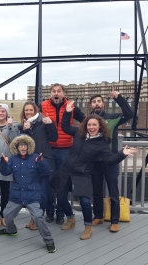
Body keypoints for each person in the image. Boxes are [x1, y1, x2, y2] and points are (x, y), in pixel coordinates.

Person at [50, 101, 137, 240]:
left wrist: (122, 153)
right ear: (86, 125)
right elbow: (65, 127)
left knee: (84, 201)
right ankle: (71, 218)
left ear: (100, 126)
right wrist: (67, 112)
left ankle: (88, 226)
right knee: (60, 197)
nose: (91, 127)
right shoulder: (79, 133)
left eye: (94, 125)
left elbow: (109, 160)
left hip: (83, 172)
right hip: (66, 169)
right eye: (89, 124)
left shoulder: (102, 143)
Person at [0, 134, 56, 254]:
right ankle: (11, 230)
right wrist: (3, 163)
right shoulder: (13, 159)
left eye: (25, 145)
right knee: (6, 215)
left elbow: (45, 172)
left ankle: (49, 240)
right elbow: (5, 172)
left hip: (32, 195)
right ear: (17, 147)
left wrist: (41, 162)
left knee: (38, 217)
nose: (23, 147)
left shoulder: (36, 157)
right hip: (16, 195)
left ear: (29, 146)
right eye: (21, 145)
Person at [89, 87, 133, 233]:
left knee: (113, 190)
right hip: (95, 161)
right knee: (96, 191)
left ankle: (114, 221)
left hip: (111, 160)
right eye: (94, 102)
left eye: (99, 101)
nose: (97, 104)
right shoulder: (89, 121)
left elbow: (129, 114)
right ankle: (98, 216)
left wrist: (118, 98)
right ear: (91, 106)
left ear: (103, 104)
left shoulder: (112, 118)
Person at [40, 83, 85, 225]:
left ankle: (60, 213)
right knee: (47, 181)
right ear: (50, 94)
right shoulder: (43, 106)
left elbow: (84, 121)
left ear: (63, 93)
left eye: (59, 91)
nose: (56, 93)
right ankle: (49, 211)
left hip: (66, 150)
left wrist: (78, 137)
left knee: (62, 183)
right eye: (53, 91)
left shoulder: (71, 107)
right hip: (49, 149)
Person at [19, 101, 58, 230]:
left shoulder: (43, 121)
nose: (28, 112)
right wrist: (24, 130)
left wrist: (51, 124)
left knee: (42, 191)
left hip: (43, 159)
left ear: (35, 110)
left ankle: (39, 218)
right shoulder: (25, 124)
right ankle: (33, 218)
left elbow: (54, 138)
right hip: (30, 162)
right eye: (26, 110)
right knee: (33, 192)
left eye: (31, 110)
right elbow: (25, 143)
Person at [0, 104, 19, 227]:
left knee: (6, 191)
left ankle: (4, 215)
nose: (0, 113)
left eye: (3, 111)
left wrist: (11, 126)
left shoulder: (14, 125)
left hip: (7, 161)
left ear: (7, 113)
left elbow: (15, 140)